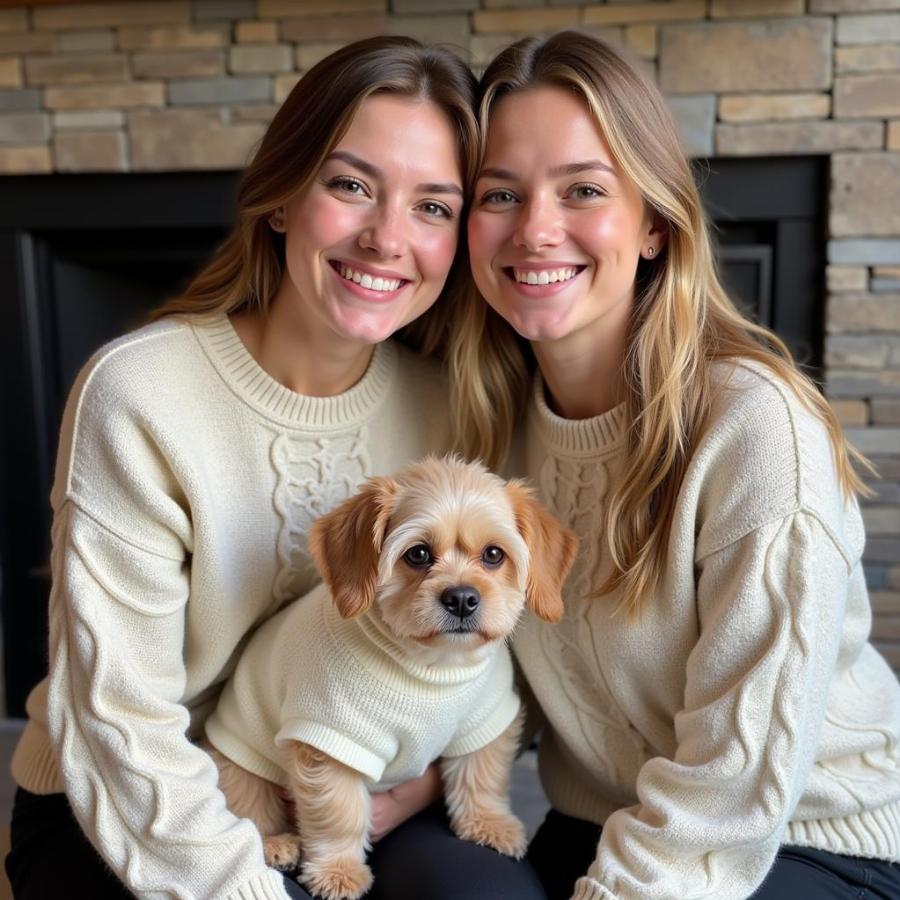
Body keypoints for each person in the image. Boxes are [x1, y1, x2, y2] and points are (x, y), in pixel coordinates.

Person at [4, 36, 542, 900]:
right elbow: (120, 725)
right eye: (350, 185)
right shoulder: (141, 392)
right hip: (130, 796)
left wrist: (392, 803)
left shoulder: (451, 406)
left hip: (367, 785)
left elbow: (489, 649)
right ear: (284, 197)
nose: (386, 238)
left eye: (434, 207)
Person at [451, 30, 900, 900]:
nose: (536, 229)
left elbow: (738, 779)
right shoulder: (492, 438)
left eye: (583, 189)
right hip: (604, 822)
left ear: (655, 224)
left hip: (807, 836)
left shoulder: (753, 427)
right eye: (499, 194)